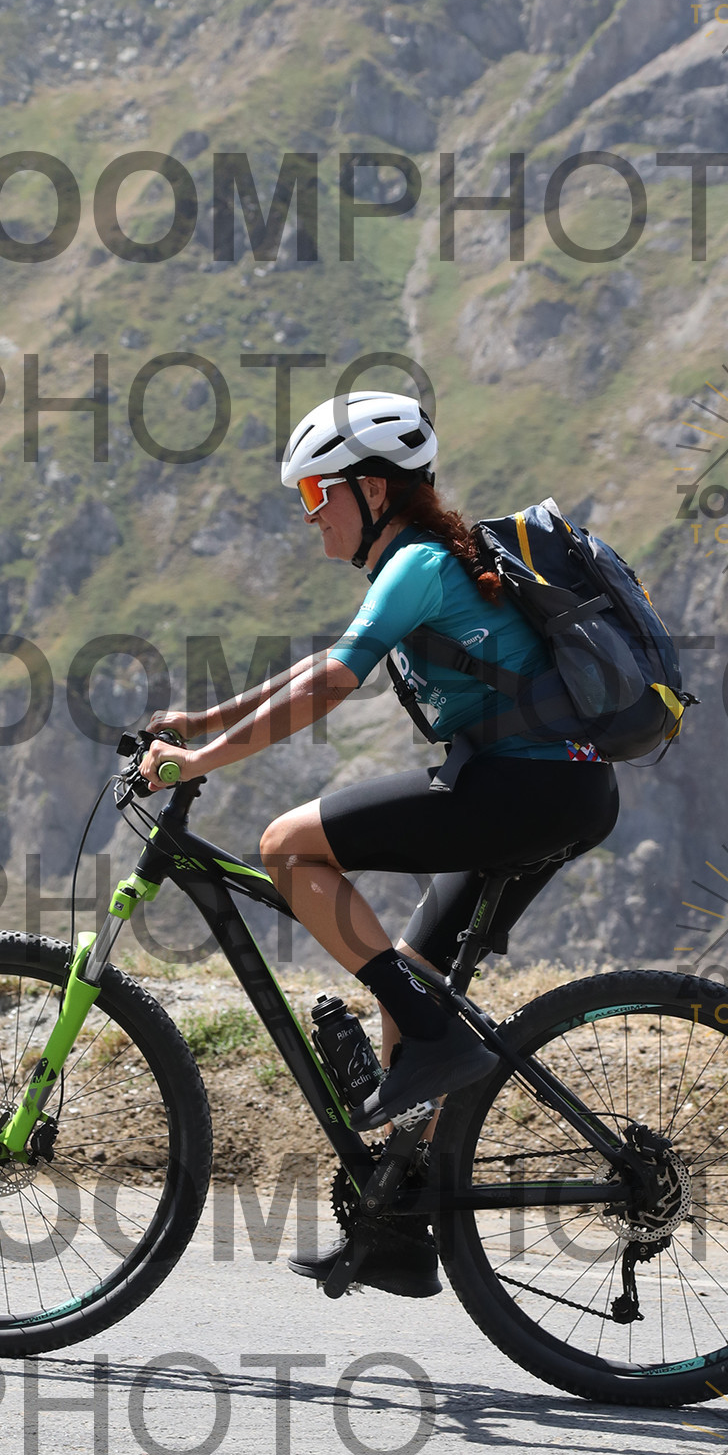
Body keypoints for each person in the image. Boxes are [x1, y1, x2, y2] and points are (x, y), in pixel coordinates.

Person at [139, 389, 619, 1297]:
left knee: (288, 846)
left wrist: (199, 760)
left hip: (525, 787)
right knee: (412, 982)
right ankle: (400, 1222)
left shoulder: (418, 564)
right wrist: (205, 719)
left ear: (369, 490)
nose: (307, 515)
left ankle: (434, 1050)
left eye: (314, 494)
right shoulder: (422, 565)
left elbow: (331, 683)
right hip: (559, 790)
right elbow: (316, 665)